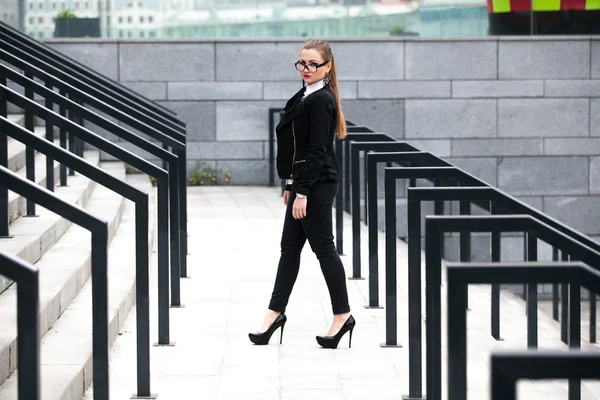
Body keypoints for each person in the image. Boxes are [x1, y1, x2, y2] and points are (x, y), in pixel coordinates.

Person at [248, 39, 355, 349]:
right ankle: (274, 314)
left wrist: (303, 191)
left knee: (323, 249)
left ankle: (342, 315)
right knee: (289, 249)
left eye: (313, 65)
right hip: (306, 183)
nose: (306, 69)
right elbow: (298, 145)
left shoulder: (321, 99)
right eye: (302, 64)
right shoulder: (305, 94)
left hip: (318, 185)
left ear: (327, 67)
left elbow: (317, 150)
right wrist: (292, 184)